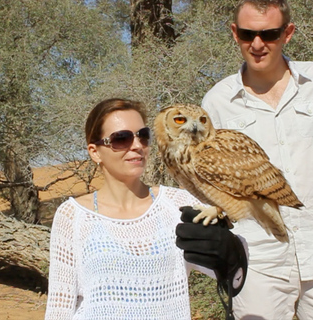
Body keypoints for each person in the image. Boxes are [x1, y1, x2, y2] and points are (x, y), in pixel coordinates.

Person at [45, 98, 247, 319]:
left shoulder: (179, 204)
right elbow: (59, 307)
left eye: (142, 135)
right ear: (95, 152)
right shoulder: (72, 215)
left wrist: (232, 253)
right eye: (120, 138)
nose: (137, 146)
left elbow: (233, 276)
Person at [201, 0, 313, 318]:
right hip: (258, 257)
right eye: (248, 34)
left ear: (288, 33)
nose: (258, 44)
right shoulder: (217, 103)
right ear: (235, 33)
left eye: (270, 34)